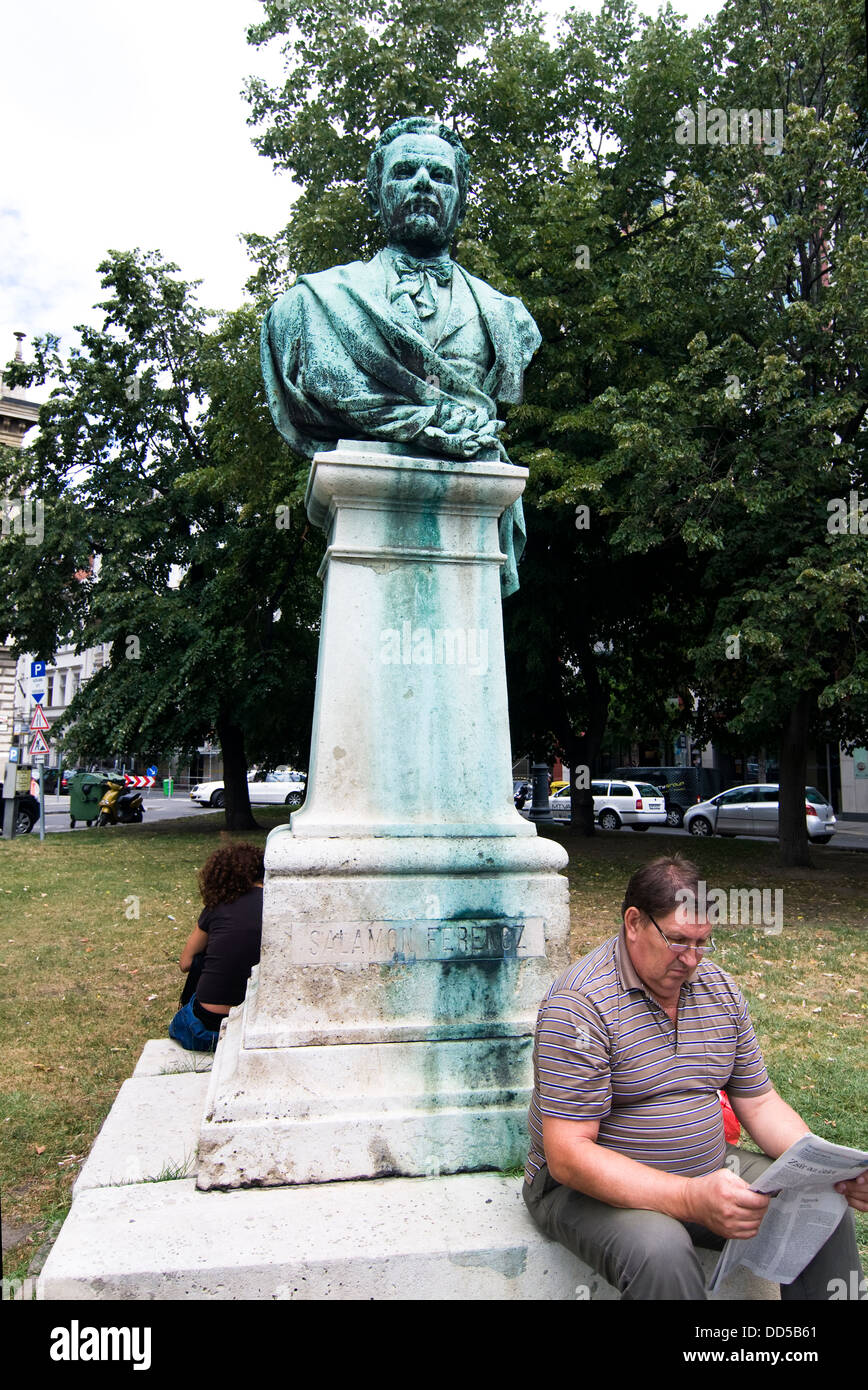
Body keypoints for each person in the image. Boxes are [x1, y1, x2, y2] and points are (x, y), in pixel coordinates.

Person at [523, 854, 867, 1299]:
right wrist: (688, 1199)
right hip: (578, 1191)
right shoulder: (580, 1006)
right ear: (633, 922)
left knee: (819, 1203)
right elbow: (569, 1155)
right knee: (661, 1249)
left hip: (704, 1169)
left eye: (703, 942)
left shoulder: (718, 989)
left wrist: (829, 1168)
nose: (691, 959)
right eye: (678, 940)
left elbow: (760, 1102)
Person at [260, 116, 541, 596]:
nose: (424, 184)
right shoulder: (309, 308)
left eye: (441, 175)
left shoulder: (507, 318)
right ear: (375, 196)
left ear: (460, 203)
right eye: (404, 172)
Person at [168, 842, 265, 1053]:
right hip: (259, 1015)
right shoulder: (278, 904)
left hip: (210, 1020)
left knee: (200, 958)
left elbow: (185, 963)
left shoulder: (217, 907)